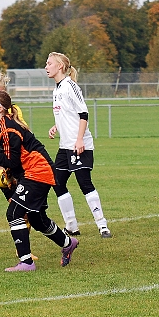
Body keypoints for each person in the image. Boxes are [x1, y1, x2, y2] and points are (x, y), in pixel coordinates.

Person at [0, 90, 78, 271]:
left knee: (14, 213)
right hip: (34, 171)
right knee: (37, 220)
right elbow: (14, 161)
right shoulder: (0, 127)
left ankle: (27, 262)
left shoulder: (8, 128)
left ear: (0, 109)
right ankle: (68, 243)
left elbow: (12, 161)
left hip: (38, 171)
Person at [45, 52, 112, 238]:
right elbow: (67, 115)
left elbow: (83, 114)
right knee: (57, 183)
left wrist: (80, 139)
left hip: (78, 144)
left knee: (84, 183)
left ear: (60, 66)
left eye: (49, 63)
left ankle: (102, 226)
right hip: (65, 146)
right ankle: (72, 226)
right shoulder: (56, 90)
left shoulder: (69, 86)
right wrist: (56, 126)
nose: (46, 67)